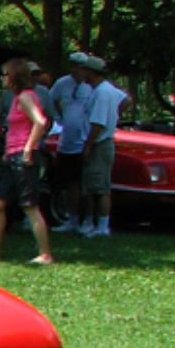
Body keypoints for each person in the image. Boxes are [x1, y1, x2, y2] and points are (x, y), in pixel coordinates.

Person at [0, 58, 53, 264]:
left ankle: (45, 254)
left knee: (30, 206)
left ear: (14, 76)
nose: (2, 78)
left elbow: (40, 122)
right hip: (13, 155)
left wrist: (27, 149)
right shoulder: (17, 97)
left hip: (23, 157)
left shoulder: (26, 97)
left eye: (5, 74)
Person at [77, 55, 128, 238]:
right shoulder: (106, 89)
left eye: (84, 70)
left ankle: (102, 226)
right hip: (100, 143)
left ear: (91, 72)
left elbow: (97, 123)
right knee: (91, 186)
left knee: (100, 188)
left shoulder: (102, 93)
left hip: (100, 144)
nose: (81, 73)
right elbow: (126, 99)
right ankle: (91, 223)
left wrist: (89, 145)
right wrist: (115, 115)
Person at [47, 52, 96, 232]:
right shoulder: (62, 83)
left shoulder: (92, 86)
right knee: (70, 183)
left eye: (81, 66)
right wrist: (58, 117)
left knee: (87, 184)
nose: (78, 69)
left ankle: (90, 221)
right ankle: (72, 219)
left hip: (85, 141)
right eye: (74, 65)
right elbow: (50, 99)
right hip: (67, 141)